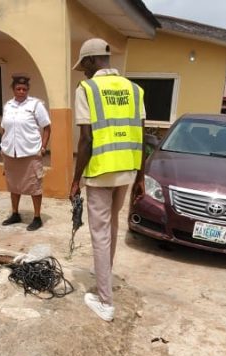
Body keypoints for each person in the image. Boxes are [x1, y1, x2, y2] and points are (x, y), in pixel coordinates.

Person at [70, 38, 146, 322]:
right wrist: (141, 176)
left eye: (84, 66)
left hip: (101, 171)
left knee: (100, 234)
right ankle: (105, 278)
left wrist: (75, 180)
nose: (84, 72)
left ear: (91, 60)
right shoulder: (134, 89)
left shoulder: (87, 89)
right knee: (111, 228)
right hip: (126, 169)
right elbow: (142, 135)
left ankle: (105, 302)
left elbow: (86, 139)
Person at [0, 73, 51, 231]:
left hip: (30, 153)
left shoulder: (36, 105)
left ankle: (37, 217)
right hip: (11, 153)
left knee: (34, 186)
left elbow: (47, 127)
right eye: (18, 89)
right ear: (13, 89)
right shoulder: (8, 106)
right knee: (13, 185)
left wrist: (43, 148)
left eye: (24, 89)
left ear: (28, 90)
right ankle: (15, 213)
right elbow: (4, 128)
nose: (21, 91)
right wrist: (3, 145)